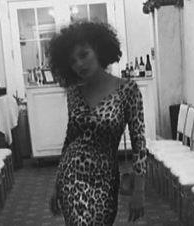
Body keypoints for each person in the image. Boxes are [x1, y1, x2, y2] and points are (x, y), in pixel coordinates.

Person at [47, 22, 146, 226]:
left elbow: (139, 144)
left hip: (105, 179)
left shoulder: (128, 90)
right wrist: (56, 184)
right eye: (73, 61)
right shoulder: (74, 93)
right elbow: (70, 140)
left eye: (84, 55)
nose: (79, 64)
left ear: (98, 49)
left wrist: (139, 190)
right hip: (71, 176)